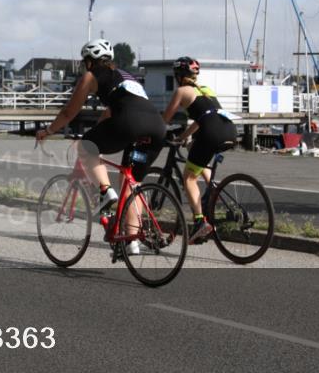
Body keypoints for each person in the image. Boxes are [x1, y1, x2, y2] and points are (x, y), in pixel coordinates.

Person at [35, 39, 166, 253]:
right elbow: (111, 112)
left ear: (89, 61)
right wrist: (98, 134)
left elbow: (69, 112)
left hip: (129, 123)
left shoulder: (90, 76)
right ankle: (132, 239)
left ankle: (105, 192)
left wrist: (48, 131)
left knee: (85, 147)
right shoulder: (126, 76)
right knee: (132, 183)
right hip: (157, 127)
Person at [162, 57, 237, 242]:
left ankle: (199, 221)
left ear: (178, 76)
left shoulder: (181, 91)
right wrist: (183, 137)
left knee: (188, 178)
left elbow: (165, 120)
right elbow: (201, 118)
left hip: (211, 132)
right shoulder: (206, 90)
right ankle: (213, 191)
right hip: (229, 130)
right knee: (194, 150)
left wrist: (156, 133)